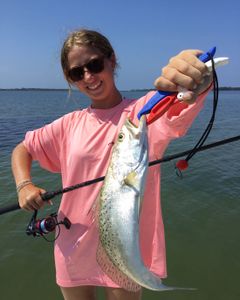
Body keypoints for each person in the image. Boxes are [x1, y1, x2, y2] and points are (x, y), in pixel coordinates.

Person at [11, 29, 212, 300]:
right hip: (72, 244)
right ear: (70, 79)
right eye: (76, 72)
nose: (89, 77)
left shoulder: (142, 114)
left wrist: (195, 73)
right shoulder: (69, 124)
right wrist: (24, 185)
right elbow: (23, 149)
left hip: (126, 246)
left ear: (112, 60)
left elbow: (177, 97)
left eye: (94, 65)